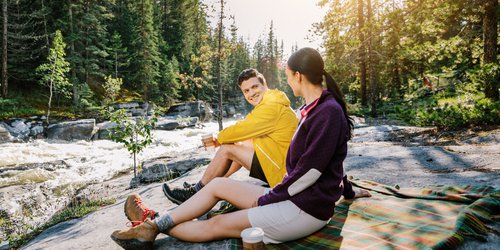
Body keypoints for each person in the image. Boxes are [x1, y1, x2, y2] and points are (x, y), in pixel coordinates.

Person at [111, 47, 370, 249]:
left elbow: (311, 171)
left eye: (289, 75)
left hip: (304, 209)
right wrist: (347, 190)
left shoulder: (327, 113)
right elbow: (331, 161)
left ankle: (150, 223)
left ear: (298, 76)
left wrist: (268, 199)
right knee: (217, 186)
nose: (288, 81)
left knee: (217, 224)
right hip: (292, 197)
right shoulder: (312, 110)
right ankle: (152, 224)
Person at [162, 68, 298, 206]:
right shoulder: (272, 101)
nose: (251, 93)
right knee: (239, 144)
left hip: (281, 172)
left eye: (254, 87)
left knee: (227, 149)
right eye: (246, 91)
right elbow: (244, 131)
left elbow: (241, 128)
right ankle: (207, 184)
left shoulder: (271, 107)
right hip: (280, 161)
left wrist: (218, 139)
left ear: (265, 85)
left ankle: (195, 192)